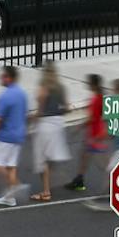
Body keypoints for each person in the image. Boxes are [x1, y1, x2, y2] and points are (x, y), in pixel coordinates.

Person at [0, 66, 29, 207]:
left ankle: (17, 185)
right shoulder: (22, 94)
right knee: (11, 166)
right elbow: (24, 114)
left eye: (3, 76)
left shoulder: (5, 97)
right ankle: (10, 198)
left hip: (6, 136)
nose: (1, 78)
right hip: (18, 135)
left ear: (9, 78)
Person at [31, 62, 70, 201]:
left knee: (42, 159)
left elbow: (40, 110)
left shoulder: (44, 87)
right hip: (58, 123)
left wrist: (31, 119)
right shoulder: (61, 87)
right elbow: (66, 108)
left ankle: (46, 191)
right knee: (50, 155)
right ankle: (54, 178)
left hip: (45, 125)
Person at [67, 73, 108, 193]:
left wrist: (78, 127)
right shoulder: (99, 97)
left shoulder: (96, 99)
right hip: (95, 132)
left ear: (93, 84)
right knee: (84, 156)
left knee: (103, 163)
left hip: (96, 134)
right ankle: (79, 180)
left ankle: (116, 180)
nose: (87, 84)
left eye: (88, 83)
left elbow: (92, 118)